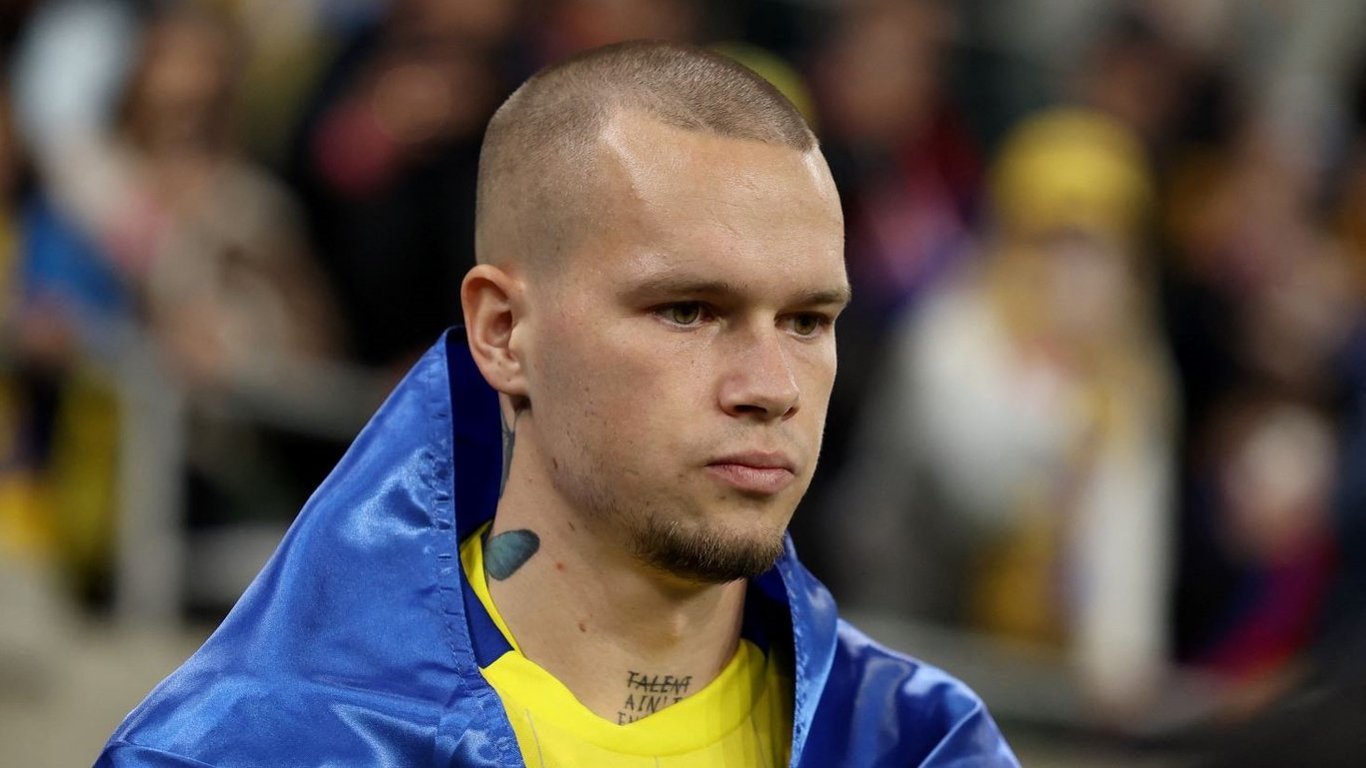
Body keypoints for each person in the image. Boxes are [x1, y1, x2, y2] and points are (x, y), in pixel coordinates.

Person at [96, 41, 1019, 767]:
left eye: (808, 321)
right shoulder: (254, 749)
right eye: (689, 311)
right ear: (502, 331)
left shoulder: (924, 746)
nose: (772, 386)